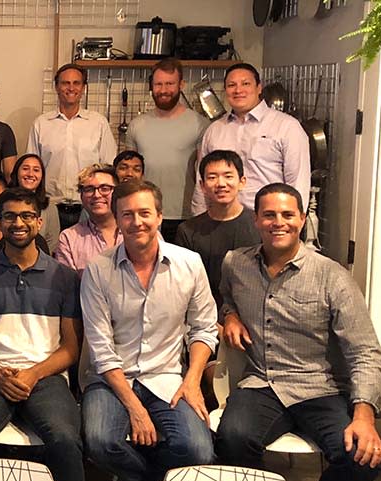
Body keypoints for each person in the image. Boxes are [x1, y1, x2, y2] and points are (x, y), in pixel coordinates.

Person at [216, 183, 381, 481]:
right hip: (261, 383)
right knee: (232, 439)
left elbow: (365, 352)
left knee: (359, 457)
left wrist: (364, 415)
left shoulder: (332, 276)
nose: (278, 222)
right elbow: (226, 294)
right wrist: (230, 314)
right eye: (269, 215)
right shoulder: (235, 263)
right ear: (256, 220)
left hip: (319, 387)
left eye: (287, 214)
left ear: (301, 219)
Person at [81, 180, 218, 481]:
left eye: (144, 213)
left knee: (199, 450)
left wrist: (193, 380)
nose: (136, 222)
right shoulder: (98, 270)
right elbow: (101, 349)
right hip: (111, 379)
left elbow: (204, 327)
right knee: (100, 442)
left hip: (167, 377)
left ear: (159, 216)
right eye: (127, 214)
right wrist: (136, 409)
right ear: (117, 219)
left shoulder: (189, 264)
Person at [0, 187, 84, 481]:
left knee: (65, 439)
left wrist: (32, 373)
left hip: (46, 377)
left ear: (39, 222)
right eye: (9, 216)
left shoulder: (65, 278)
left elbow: (71, 349)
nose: (18, 223)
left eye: (27, 216)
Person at [191, 62, 310, 215]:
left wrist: (293, 221)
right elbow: (203, 183)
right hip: (221, 221)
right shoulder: (215, 130)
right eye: (231, 85)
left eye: (245, 83)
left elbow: (298, 182)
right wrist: (199, 219)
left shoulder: (287, 127)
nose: (238, 90)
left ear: (259, 87)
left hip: (268, 220)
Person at [27, 64, 117, 231]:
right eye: (65, 83)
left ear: (83, 88)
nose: (71, 88)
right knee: (50, 254)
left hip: (88, 207)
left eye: (76, 83)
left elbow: (108, 167)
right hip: (50, 207)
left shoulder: (98, 123)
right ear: (56, 87)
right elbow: (31, 170)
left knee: (87, 255)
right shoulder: (41, 124)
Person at [128, 58, 210, 241]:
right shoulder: (136, 126)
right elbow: (129, 174)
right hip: (144, 214)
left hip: (184, 216)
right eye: (158, 84)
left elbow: (205, 174)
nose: (163, 90)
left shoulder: (200, 125)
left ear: (181, 84)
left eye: (169, 84)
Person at [174, 150, 259, 308]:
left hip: (253, 314)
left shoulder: (259, 224)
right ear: (202, 186)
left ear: (242, 182)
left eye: (228, 176)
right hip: (205, 318)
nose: (221, 183)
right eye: (212, 177)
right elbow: (185, 286)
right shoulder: (188, 231)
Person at [55, 163, 122, 277]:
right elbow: (68, 288)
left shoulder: (139, 231)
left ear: (118, 193)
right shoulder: (69, 239)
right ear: (81, 196)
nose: (96, 195)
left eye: (105, 188)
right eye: (89, 189)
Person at [9, 153, 61, 255]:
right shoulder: (5, 202)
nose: (30, 174)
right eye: (25, 169)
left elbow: (52, 242)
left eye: (36, 170)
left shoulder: (50, 207)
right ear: (16, 173)